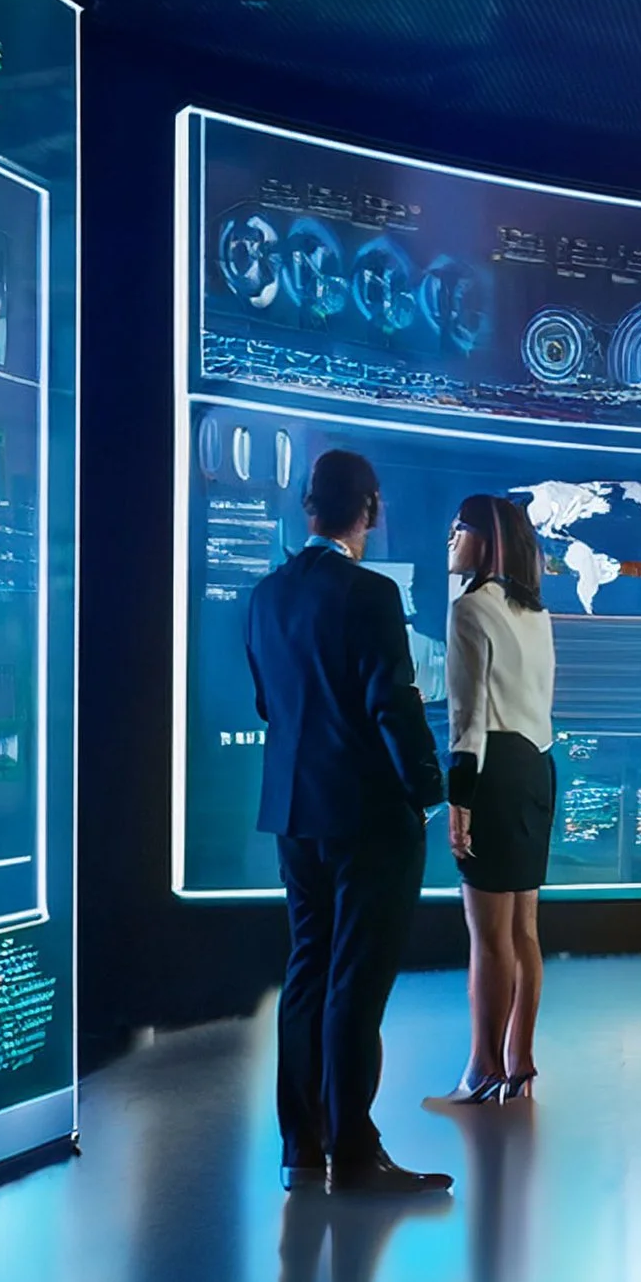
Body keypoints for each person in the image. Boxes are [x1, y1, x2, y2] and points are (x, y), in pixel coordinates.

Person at [247, 449, 452, 1196]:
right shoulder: (370, 593)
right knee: (355, 988)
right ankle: (357, 1154)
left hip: (294, 814)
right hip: (367, 816)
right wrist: (427, 791)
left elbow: (268, 705)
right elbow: (391, 703)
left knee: (308, 972)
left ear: (309, 506)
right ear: (370, 509)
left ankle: (302, 1149)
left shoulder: (266, 595)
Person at [441, 494, 558, 1103]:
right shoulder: (536, 612)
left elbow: (468, 720)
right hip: (537, 767)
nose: (450, 539)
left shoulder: (470, 609)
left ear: (486, 539)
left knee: (487, 936)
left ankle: (482, 1069)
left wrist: (458, 802)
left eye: (459, 529)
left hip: (493, 771)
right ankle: (520, 1064)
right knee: (524, 929)